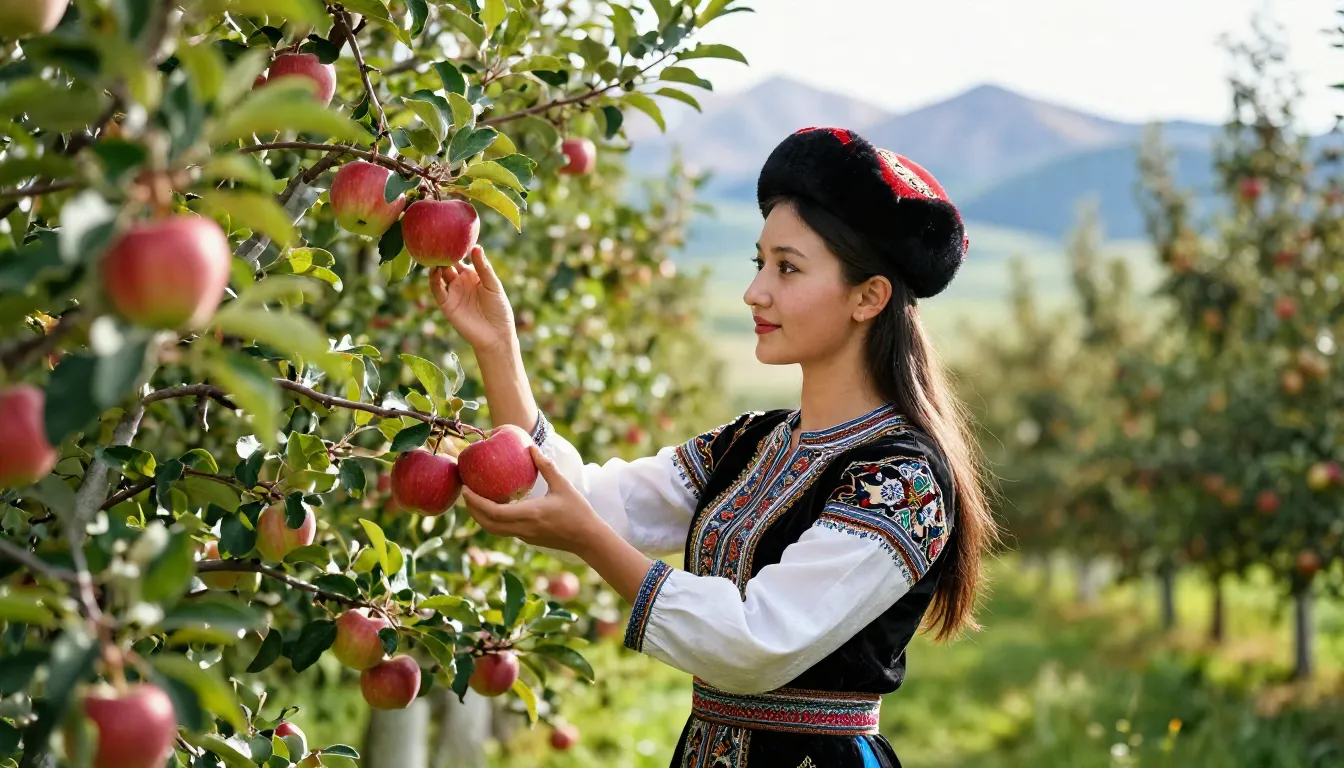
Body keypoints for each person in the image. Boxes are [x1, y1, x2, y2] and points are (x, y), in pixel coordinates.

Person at [429, 126, 1000, 768]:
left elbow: (756, 642)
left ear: (868, 297)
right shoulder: (749, 443)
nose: (756, 292)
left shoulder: (902, 482)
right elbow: (582, 499)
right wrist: (498, 348)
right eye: (760, 264)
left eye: (788, 267)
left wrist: (588, 541)